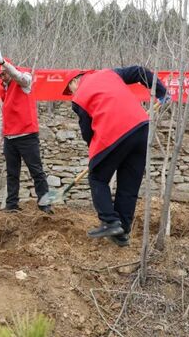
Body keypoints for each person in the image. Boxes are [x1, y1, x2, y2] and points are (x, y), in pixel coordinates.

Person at [63, 65, 168, 246]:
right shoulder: (109, 73)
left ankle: (109, 221)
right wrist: (161, 92)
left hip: (113, 133)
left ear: (74, 81)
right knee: (129, 183)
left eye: (69, 89)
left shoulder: (79, 98)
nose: (71, 93)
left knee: (97, 177)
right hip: (141, 128)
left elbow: (87, 132)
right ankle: (122, 231)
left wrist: (96, 158)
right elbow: (138, 71)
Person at [0, 46, 53, 214]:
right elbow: (3, 113)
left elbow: (19, 77)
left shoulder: (25, 81)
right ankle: (12, 205)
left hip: (27, 135)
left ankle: (45, 205)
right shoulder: (3, 90)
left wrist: (3, 62)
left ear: (10, 71)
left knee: (36, 171)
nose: (2, 77)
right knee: (12, 173)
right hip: (10, 138)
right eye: (0, 75)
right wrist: (0, 134)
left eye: (4, 74)